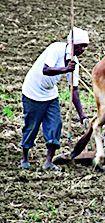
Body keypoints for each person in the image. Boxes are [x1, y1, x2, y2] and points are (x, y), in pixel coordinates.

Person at [20, 27, 89, 171]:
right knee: (31, 126)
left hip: (50, 94)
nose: (82, 50)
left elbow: (73, 90)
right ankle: (24, 158)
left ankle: (48, 162)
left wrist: (82, 115)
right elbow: (46, 70)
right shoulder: (56, 49)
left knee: (55, 125)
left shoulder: (73, 63)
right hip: (33, 92)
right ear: (71, 45)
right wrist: (65, 69)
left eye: (85, 46)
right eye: (80, 46)